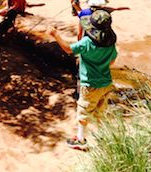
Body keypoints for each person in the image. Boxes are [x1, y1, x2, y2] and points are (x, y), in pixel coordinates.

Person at [48, 10, 117, 150]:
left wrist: (55, 35)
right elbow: (112, 62)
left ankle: (81, 139)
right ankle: (103, 135)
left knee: (83, 111)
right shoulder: (109, 43)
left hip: (90, 84)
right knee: (100, 110)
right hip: (106, 82)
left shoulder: (87, 42)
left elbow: (68, 49)